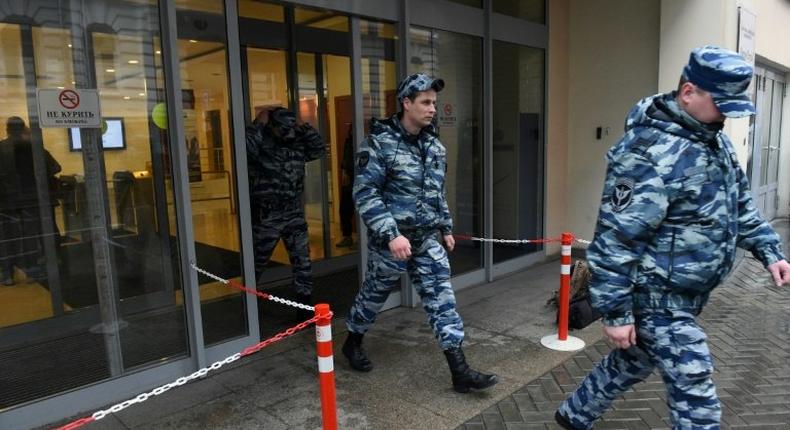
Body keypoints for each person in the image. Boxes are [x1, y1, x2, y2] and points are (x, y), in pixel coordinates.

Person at [554, 46, 790, 430]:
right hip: (656, 298)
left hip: (688, 293)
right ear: (688, 92)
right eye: (721, 104)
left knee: (631, 363)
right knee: (695, 391)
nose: (727, 115)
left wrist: (769, 250)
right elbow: (615, 239)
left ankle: (572, 415)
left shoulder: (716, 142)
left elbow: (740, 207)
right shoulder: (647, 151)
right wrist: (616, 313)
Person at [342, 73, 498, 393]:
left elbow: (437, 192)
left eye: (434, 103)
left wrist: (445, 227)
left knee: (443, 302)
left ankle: (460, 372)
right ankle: (352, 341)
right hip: (392, 242)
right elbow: (365, 194)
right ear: (406, 103)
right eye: (425, 102)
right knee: (373, 296)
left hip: (426, 239)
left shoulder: (434, 147)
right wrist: (391, 234)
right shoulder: (379, 144)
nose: (431, 109)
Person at [246, 107, 325, 317]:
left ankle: (304, 306)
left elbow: (319, 148)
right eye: (284, 127)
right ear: (272, 126)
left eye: (291, 127)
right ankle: (249, 309)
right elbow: (245, 148)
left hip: (293, 214)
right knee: (256, 263)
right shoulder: (261, 144)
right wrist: (259, 123)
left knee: (303, 262)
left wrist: (301, 123)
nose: (288, 131)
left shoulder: (297, 144)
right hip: (267, 216)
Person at [0, 117, 61, 285]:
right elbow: (56, 167)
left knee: (7, 237)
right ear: (23, 128)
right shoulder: (34, 147)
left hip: (7, 202)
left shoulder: (1, 147)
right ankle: (33, 271)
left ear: (7, 129)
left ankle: (7, 273)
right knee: (32, 235)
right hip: (34, 199)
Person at [335, 124, 355, 249]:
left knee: (361, 211)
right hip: (349, 180)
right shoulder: (349, 142)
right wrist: (344, 172)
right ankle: (347, 236)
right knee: (344, 210)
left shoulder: (367, 141)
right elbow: (345, 159)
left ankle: (363, 240)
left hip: (361, 180)